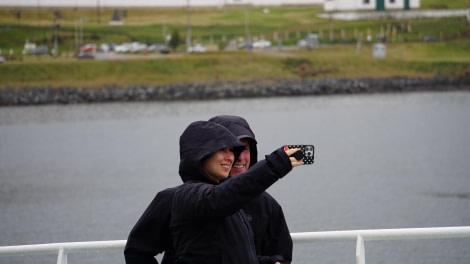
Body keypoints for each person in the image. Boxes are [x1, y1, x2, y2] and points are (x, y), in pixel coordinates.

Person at [124, 119, 301, 264]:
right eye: (222, 149)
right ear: (201, 153)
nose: (232, 156)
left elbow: (228, 255)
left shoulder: (238, 204)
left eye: (232, 150)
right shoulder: (189, 196)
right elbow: (137, 251)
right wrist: (275, 165)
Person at [208, 115, 293, 264]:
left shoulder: (268, 206)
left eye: (245, 149)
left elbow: (281, 255)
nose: (240, 157)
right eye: (233, 149)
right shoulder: (189, 199)